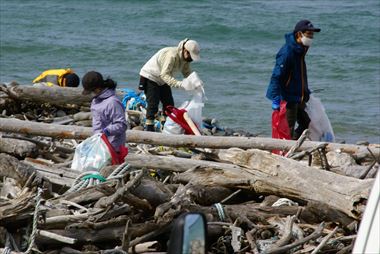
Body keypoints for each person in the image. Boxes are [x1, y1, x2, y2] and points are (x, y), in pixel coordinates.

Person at [266, 20, 321, 140]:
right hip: (288, 97)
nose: (311, 37)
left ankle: (294, 146)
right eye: (308, 34)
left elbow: (299, 74)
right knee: (288, 127)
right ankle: (287, 154)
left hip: (298, 95)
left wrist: (305, 90)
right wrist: (275, 97)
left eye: (312, 34)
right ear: (299, 34)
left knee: (305, 122)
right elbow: (276, 75)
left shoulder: (300, 49)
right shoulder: (287, 52)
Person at [139, 38, 201, 131]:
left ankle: (165, 125)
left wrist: (196, 82)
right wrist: (180, 84)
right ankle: (149, 128)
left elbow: (187, 72)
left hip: (162, 79)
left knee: (169, 103)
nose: (191, 59)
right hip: (150, 76)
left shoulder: (184, 59)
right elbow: (164, 75)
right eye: (191, 56)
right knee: (153, 104)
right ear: (185, 51)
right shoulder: (171, 55)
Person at [82, 71, 128, 163]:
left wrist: (106, 131)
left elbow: (122, 125)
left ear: (98, 88)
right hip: (99, 144)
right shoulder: (96, 100)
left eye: (91, 91)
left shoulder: (112, 102)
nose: (91, 94)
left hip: (113, 146)